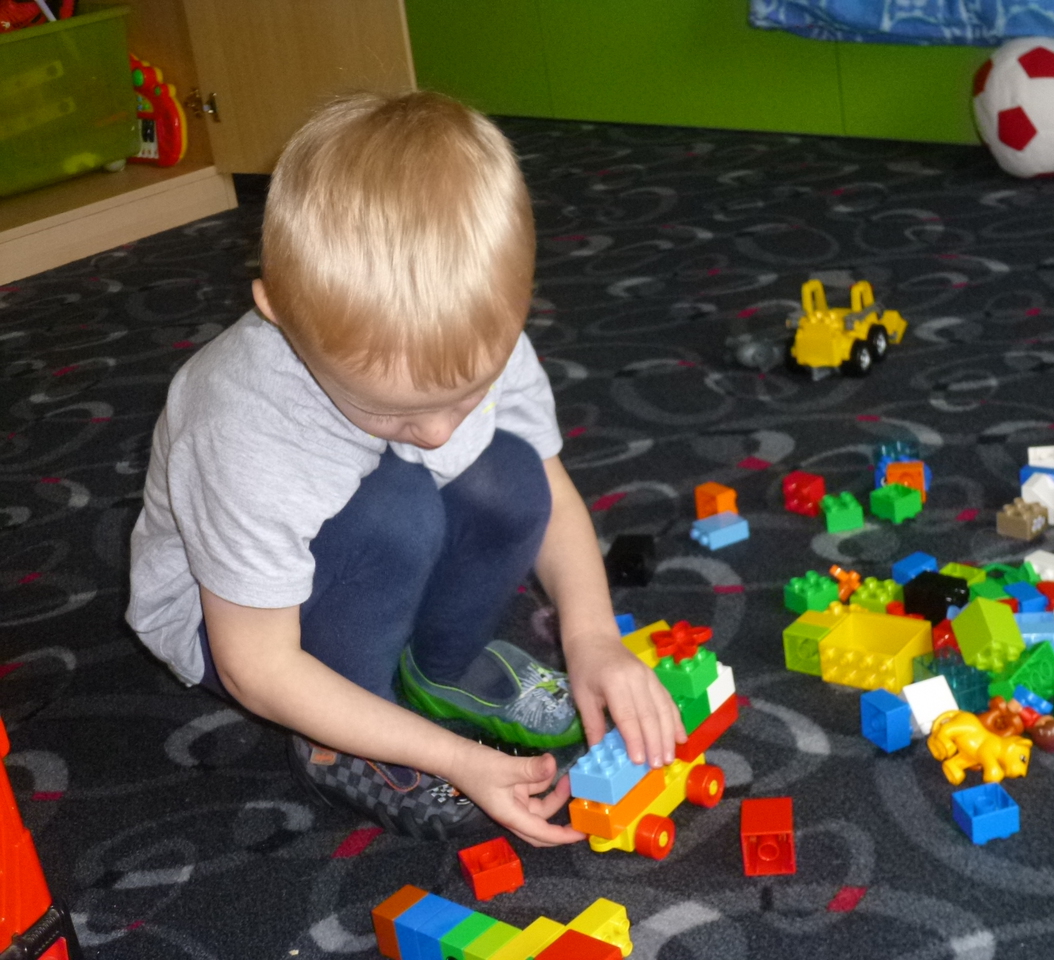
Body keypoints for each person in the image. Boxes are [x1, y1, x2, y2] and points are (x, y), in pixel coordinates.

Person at [126, 90, 683, 845]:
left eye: (467, 394)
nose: (438, 431)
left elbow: (550, 490)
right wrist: (454, 759)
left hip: (366, 549)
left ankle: (442, 669)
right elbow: (258, 665)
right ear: (278, 313)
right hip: (232, 622)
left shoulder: (466, 333)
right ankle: (343, 739)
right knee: (400, 507)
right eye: (389, 411)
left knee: (511, 475)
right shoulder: (243, 430)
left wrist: (592, 637)